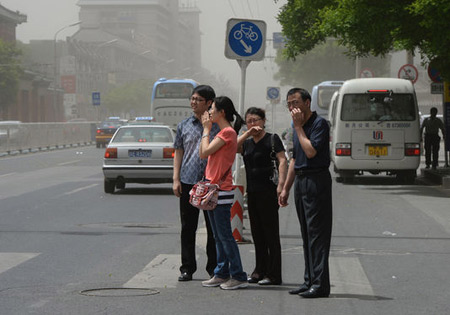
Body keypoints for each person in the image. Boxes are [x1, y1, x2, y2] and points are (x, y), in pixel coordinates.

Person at [279, 88, 333, 298]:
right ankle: (309, 280)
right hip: (301, 180)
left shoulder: (319, 124)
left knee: (317, 235)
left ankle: (320, 285)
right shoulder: (296, 126)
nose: (292, 107)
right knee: (306, 234)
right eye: (289, 104)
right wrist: (286, 188)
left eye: (295, 102)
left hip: (316, 180)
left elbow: (310, 151)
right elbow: (294, 158)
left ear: (307, 103)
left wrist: (299, 128)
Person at [199, 96, 248, 290]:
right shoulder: (223, 132)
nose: (209, 113)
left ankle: (238, 274)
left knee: (225, 236)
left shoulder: (226, 132)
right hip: (213, 188)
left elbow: (204, 152)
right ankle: (221, 272)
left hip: (221, 190)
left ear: (222, 113)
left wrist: (205, 130)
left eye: (212, 109)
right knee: (218, 236)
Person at [237, 107, 287, 285]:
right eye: (249, 121)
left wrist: (281, 185)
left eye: (256, 120)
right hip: (252, 192)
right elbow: (233, 147)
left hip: (268, 191)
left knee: (270, 234)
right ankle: (259, 270)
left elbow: (282, 160)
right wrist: (247, 133)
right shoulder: (248, 143)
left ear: (264, 120)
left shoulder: (272, 139)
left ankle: (273, 274)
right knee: (257, 234)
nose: (253, 124)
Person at [173, 85, 218, 281]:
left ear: (209, 103)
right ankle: (187, 268)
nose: (193, 103)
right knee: (187, 227)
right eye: (192, 99)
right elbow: (179, 152)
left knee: (213, 229)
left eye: (198, 99)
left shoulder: (217, 126)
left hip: (211, 183)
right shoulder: (184, 125)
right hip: (188, 182)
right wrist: (175, 179)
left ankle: (214, 268)